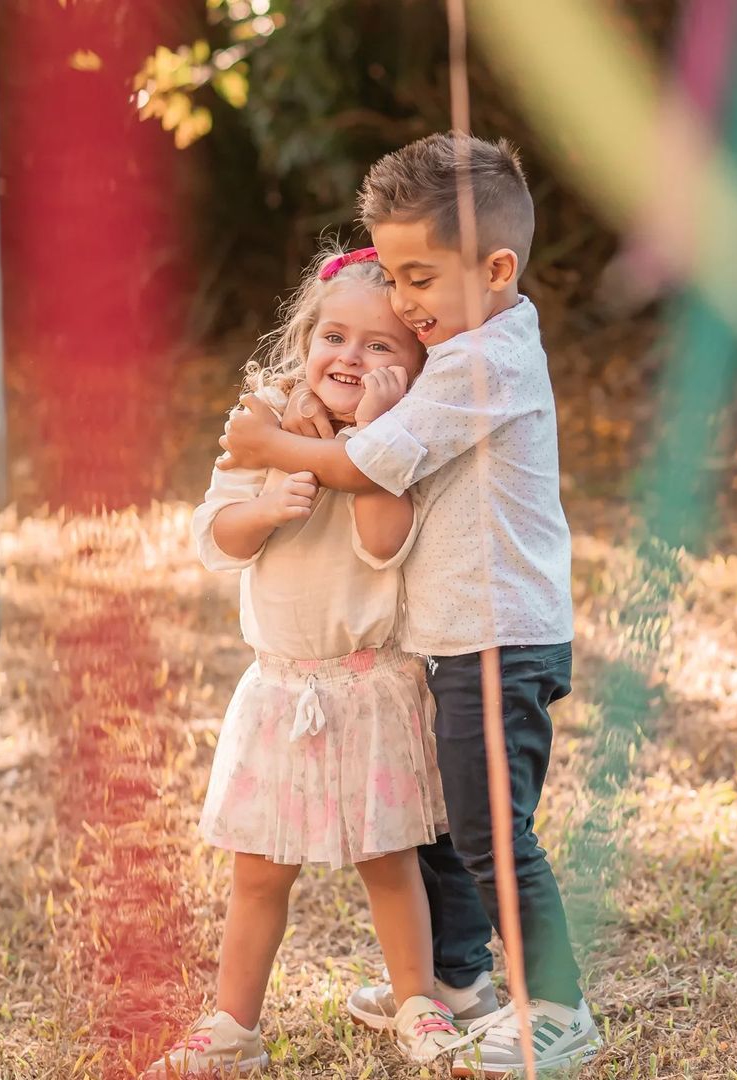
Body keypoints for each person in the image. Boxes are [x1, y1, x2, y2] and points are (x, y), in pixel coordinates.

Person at [220, 133, 601, 1078]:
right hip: (452, 638)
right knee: (442, 821)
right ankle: (459, 981)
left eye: (418, 278)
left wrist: (271, 448)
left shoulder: (484, 364)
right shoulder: (462, 345)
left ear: (497, 269)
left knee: (489, 831)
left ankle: (559, 1009)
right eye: (392, 276)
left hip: (498, 639)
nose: (401, 300)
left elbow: (367, 463)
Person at [144, 246, 462, 1077]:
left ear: (415, 366)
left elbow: (386, 545)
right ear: (304, 340)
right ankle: (233, 1025)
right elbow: (215, 537)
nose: (351, 357)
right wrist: (265, 505)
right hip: (280, 691)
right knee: (258, 873)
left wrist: (372, 440)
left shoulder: (401, 442)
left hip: (370, 684)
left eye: (380, 346)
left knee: (388, 863)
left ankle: (417, 1004)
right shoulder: (263, 420)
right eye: (334, 336)